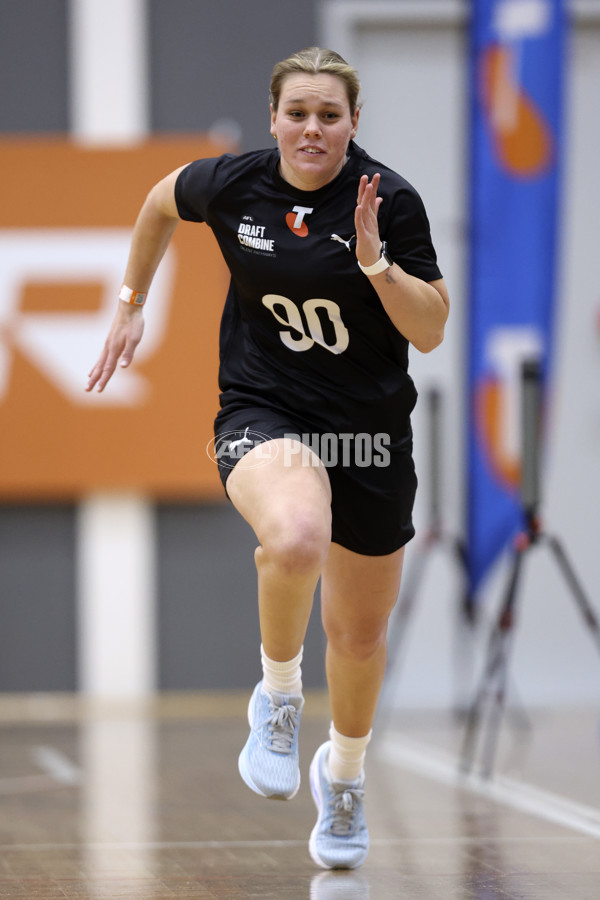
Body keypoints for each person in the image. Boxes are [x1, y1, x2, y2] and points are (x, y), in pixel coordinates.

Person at [86, 47, 449, 870]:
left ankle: (345, 776)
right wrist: (130, 304)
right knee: (292, 537)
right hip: (264, 409)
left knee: (358, 636)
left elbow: (429, 330)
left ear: (355, 123)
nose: (312, 129)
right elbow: (155, 203)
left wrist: (374, 263)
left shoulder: (389, 201)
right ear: (274, 117)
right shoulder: (236, 183)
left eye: (330, 115)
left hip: (367, 436)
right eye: (298, 113)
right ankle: (278, 699)